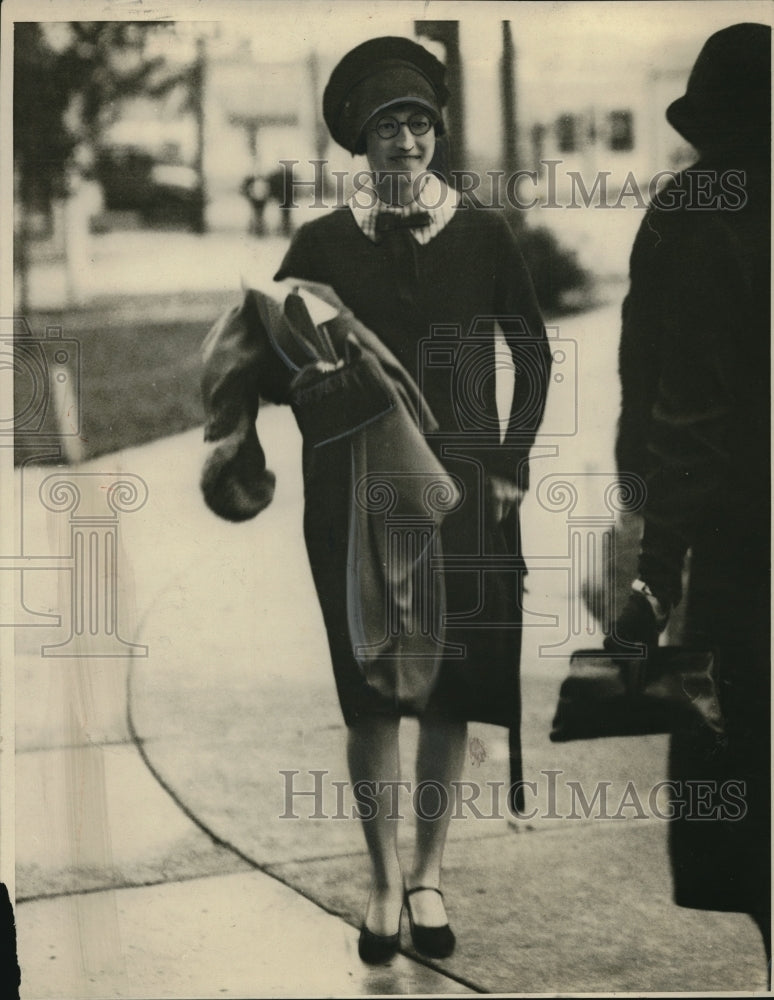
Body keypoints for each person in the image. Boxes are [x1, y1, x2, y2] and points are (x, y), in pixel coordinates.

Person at [272, 36, 551, 963]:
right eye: (389, 125)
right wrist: (315, 380)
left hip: (462, 494)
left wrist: (510, 461)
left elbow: (533, 353)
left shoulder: (483, 233)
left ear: (437, 133)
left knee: (446, 689)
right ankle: (383, 881)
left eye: (420, 123)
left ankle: (429, 873)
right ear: (360, 138)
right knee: (369, 696)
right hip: (352, 499)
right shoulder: (319, 245)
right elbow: (278, 368)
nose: (407, 141)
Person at [608, 22, 770, 967]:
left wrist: (652, 568)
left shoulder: (693, 214)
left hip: (739, 552)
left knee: (746, 792)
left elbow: (675, 406)